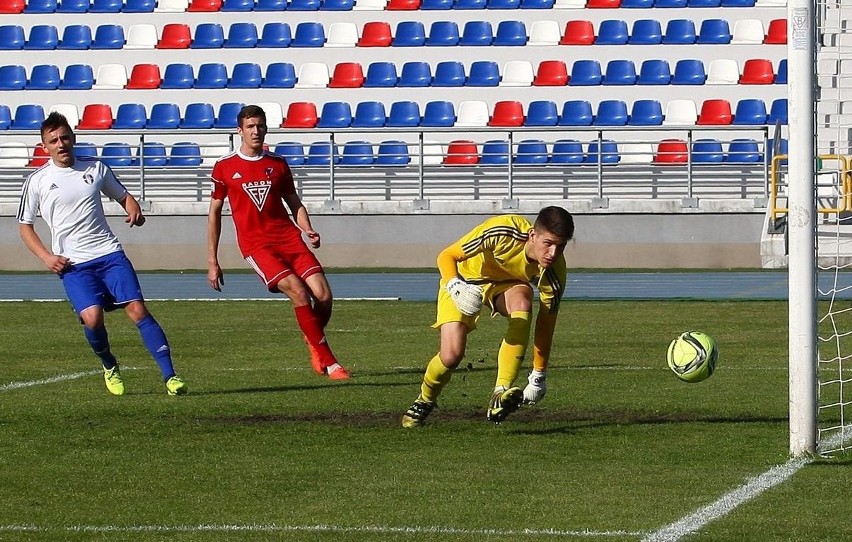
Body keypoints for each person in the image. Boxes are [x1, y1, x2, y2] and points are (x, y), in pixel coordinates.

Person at [18, 112, 187, 397]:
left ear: (73, 138)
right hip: (73, 264)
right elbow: (25, 227)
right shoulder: (37, 181)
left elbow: (122, 195)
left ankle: (171, 377)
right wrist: (47, 258)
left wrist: (132, 206)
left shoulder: (96, 168)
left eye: (64, 137)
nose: (61, 144)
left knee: (138, 311)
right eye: (53, 140)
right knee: (93, 319)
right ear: (44, 146)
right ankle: (109, 364)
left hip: (109, 254)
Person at [207, 104, 350, 380]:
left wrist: (307, 228)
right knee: (298, 291)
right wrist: (213, 261)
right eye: (250, 126)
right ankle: (330, 362)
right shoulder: (225, 168)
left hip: (289, 239)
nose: (256, 131)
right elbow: (214, 214)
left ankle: (313, 340)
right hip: (257, 246)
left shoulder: (278, 163)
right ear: (240, 131)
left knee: (324, 296)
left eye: (260, 125)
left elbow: (293, 201)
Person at [401, 206, 575, 427]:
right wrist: (455, 285)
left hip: (505, 287)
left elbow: (546, 324)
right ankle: (424, 400)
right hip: (463, 281)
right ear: (533, 235)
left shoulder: (554, 272)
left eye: (560, 246)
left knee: (523, 299)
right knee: (451, 355)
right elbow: (447, 256)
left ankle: (500, 392)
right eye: (547, 244)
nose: (552, 253)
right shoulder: (503, 231)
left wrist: (538, 375)